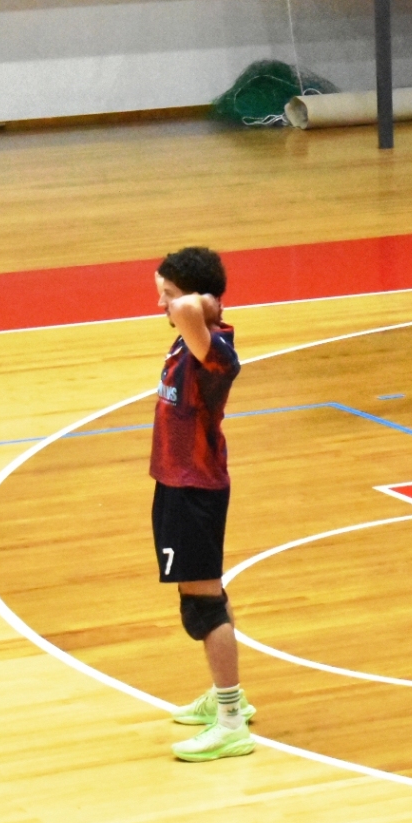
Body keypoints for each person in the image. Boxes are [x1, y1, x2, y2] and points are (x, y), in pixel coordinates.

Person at [148, 246, 254, 760]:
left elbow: (192, 308)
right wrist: (192, 301)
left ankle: (231, 722)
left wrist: (199, 302)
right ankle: (228, 698)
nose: (162, 306)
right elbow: (189, 309)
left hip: (195, 488)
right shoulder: (188, 340)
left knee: (203, 603)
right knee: (206, 590)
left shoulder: (215, 354)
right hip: (177, 483)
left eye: (167, 295)